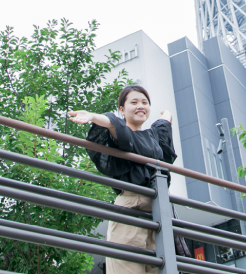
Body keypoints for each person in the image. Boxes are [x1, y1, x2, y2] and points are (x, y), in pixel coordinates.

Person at [68, 84, 177, 274]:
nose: (140, 106)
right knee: (127, 269)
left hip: (158, 213)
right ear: (122, 109)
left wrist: (167, 114)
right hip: (131, 209)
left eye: (144, 102)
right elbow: (111, 122)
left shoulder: (153, 138)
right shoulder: (123, 135)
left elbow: (163, 125)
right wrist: (93, 116)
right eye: (133, 102)